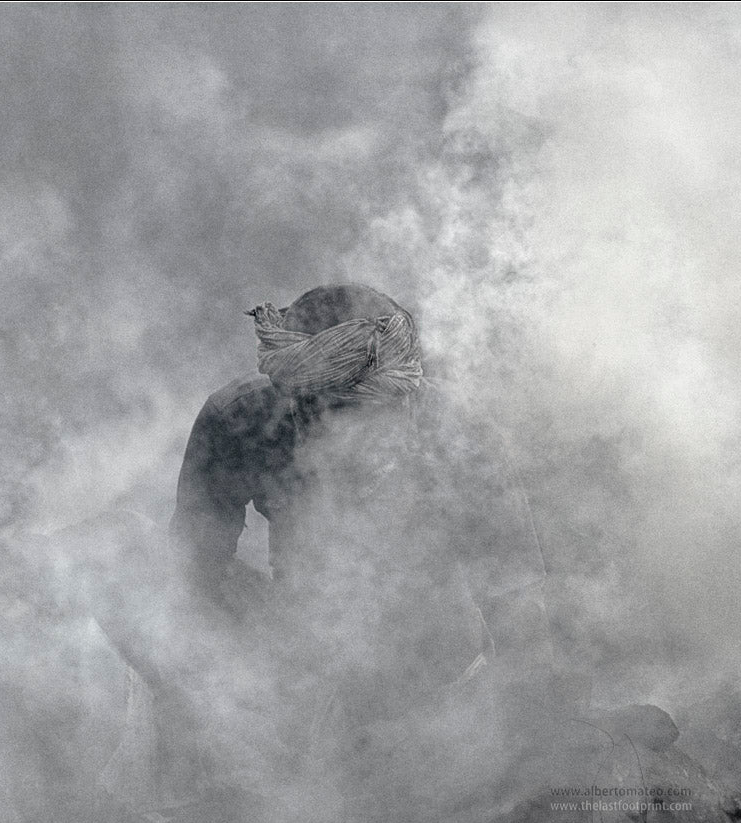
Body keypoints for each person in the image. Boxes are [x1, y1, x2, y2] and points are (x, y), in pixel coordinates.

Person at [170, 284, 551, 740]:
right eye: (344, 418)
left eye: (383, 415)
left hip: (444, 684)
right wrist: (224, 700)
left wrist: (521, 726)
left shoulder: (459, 433)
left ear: (408, 392)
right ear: (300, 407)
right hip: (303, 668)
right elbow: (193, 572)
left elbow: (516, 607)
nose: (366, 441)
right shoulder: (241, 421)